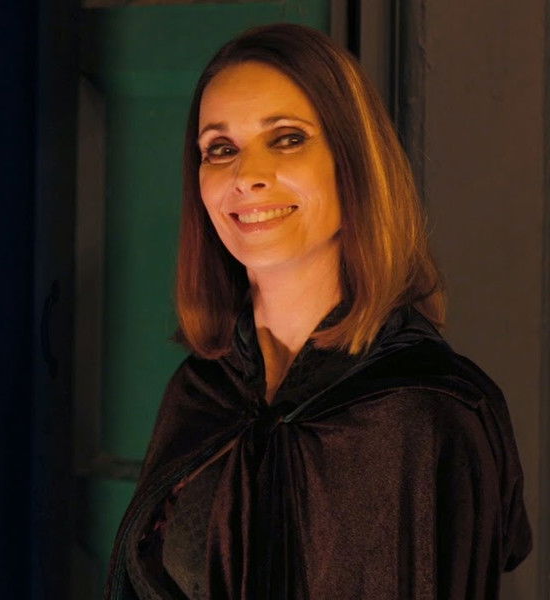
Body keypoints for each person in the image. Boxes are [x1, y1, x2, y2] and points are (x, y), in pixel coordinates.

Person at [104, 23, 532, 599]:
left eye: (286, 139)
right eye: (221, 149)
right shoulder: (201, 393)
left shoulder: (427, 411)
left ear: (352, 162)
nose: (246, 177)